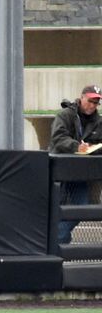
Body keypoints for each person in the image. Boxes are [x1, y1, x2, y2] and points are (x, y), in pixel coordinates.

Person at [49, 85, 102, 244]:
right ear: (82, 97)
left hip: (81, 175)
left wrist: (94, 148)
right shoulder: (65, 115)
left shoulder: (98, 122)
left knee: (81, 208)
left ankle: (59, 238)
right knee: (54, 210)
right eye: (90, 100)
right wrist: (76, 146)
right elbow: (58, 138)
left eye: (96, 102)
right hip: (59, 173)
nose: (92, 105)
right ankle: (58, 240)